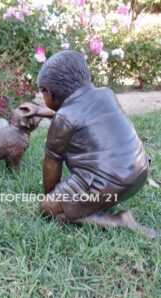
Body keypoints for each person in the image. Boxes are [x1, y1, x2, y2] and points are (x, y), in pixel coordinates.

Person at [21, 50, 156, 239]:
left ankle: (118, 221)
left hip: (108, 183)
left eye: (43, 92)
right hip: (138, 173)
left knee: (48, 208)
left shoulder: (64, 118)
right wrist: (43, 111)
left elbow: (52, 162)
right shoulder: (106, 94)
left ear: (48, 92)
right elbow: (80, 114)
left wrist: (53, 197)